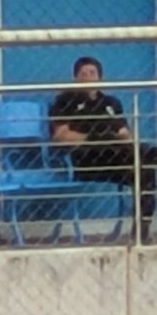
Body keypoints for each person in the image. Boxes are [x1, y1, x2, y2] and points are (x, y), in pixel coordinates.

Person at [49, 56, 157, 237]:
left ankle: (142, 227)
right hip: (86, 159)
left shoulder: (111, 103)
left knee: (145, 172)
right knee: (140, 155)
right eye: (83, 74)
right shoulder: (65, 100)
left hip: (116, 157)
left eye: (92, 73)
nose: (88, 77)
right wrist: (92, 138)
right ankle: (150, 155)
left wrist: (122, 141)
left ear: (100, 78)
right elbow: (60, 136)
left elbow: (124, 134)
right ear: (76, 79)